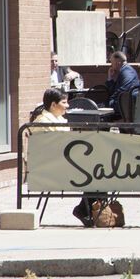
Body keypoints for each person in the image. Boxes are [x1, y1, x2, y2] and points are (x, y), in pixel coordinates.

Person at [29, 89, 97, 227]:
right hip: (52, 168)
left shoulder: (58, 119)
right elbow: (54, 150)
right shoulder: (43, 122)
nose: (67, 106)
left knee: (100, 170)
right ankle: (84, 210)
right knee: (97, 172)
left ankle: (88, 210)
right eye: (64, 102)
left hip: (64, 162)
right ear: (53, 105)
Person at [104, 50, 140, 118]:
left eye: (111, 62)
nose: (111, 65)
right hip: (122, 101)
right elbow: (112, 89)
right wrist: (110, 78)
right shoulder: (123, 71)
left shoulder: (127, 72)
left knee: (102, 108)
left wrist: (111, 100)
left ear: (117, 62)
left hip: (126, 103)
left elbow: (123, 89)